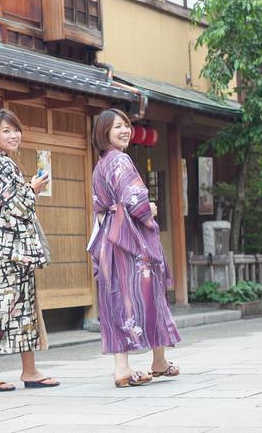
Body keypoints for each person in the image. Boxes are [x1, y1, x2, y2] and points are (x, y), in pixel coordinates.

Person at [88, 109, 181, 388]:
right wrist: (149, 209)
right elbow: (136, 202)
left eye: (126, 126)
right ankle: (127, 368)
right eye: (118, 127)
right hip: (129, 240)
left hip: (110, 238)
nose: (125, 131)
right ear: (104, 132)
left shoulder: (101, 164)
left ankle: (152, 362)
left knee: (117, 297)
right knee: (141, 296)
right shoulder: (120, 160)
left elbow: (104, 205)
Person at [0, 108, 57, 392]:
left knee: (18, 305)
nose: (13, 135)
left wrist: (30, 189)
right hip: (5, 246)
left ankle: (28, 370)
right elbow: (16, 207)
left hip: (0, 243)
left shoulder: (0, 162)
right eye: (6, 131)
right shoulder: (0, 164)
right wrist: (32, 188)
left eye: (16, 130)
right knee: (0, 305)